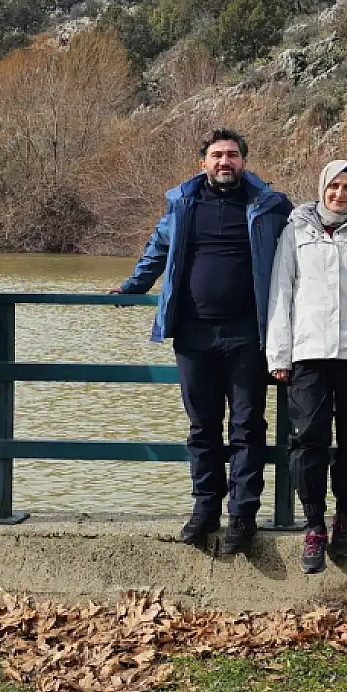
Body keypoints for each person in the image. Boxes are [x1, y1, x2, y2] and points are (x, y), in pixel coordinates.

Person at [112, 129, 291, 557]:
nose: (223, 161)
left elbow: (296, 255)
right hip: (193, 332)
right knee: (202, 426)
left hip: (249, 334)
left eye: (231, 155)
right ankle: (205, 508)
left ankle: (243, 515)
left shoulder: (269, 205)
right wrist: (133, 286)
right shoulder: (184, 203)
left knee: (248, 426)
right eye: (216, 155)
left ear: (244, 162)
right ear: (202, 163)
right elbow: (158, 248)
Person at [266, 160, 347, 574]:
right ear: (321, 188)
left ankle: (345, 515)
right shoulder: (296, 231)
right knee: (308, 439)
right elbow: (281, 292)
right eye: (333, 186)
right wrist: (279, 355)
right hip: (309, 353)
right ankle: (313, 522)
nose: (340, 194)